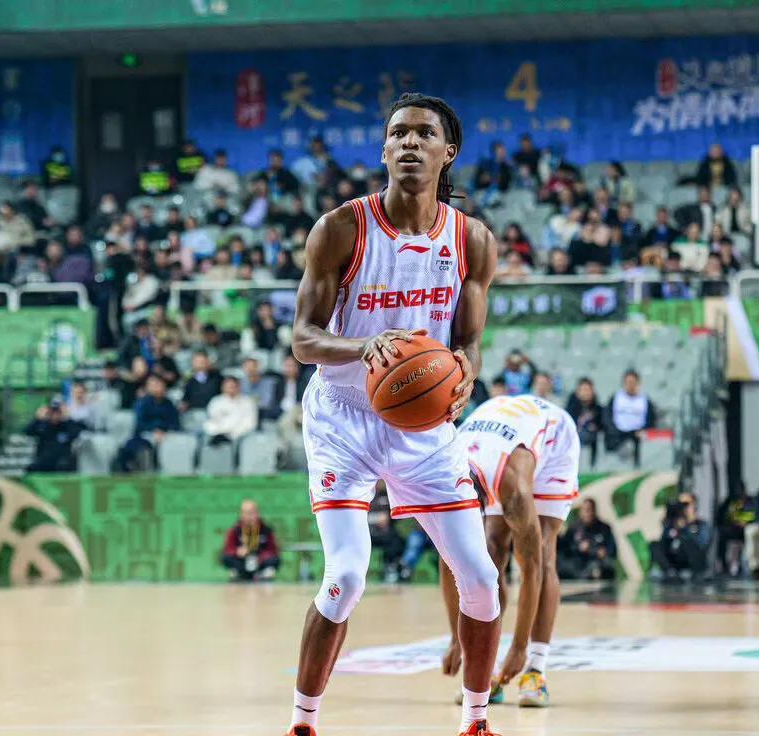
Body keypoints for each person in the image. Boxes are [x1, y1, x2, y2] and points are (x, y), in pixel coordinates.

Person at [286, 93, 502, 736]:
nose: (410, 142)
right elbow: (302, 339)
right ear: (384, 150)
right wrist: (363, 347)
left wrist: (465, 373)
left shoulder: (472, 240)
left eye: (424, 133)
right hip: (343, 416)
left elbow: (469, 342)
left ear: (447, 152)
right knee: (347, 576)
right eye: (398, 133)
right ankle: (303, 721)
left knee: (482, 578)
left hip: (424, 424)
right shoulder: (341, 228)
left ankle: (476, 719)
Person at [446, 394, 581, 708]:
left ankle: (536, 669)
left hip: (552, 439)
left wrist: (519, 648)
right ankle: (488, 670)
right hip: (497, 441)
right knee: (489, 551)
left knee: (542, 551)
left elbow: (532, 568)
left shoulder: (512, 488)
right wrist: (457, 639)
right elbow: (448, 564)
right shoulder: (445, 477)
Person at [650, 492, 710, 579]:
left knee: (687, 541)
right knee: (654, 544)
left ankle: (691, 573)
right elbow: (664, 544)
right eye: (679, 504)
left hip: (692, 563)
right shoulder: (672, 524)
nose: (682, 507)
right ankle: (669, 572)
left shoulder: (701, 525)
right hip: (675, 561)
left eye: (685, 504)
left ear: (694, 505)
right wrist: (668, 524)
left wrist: (685, 528)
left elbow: (702, 545)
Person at [558, 498, 617, 581]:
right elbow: (565, 549)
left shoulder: (604, 528)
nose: (588, 513)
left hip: (597, 562)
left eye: (590, 510)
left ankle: (594, 573)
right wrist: (579, 548)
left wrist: (604, 552)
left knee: (606, 566)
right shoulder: (573, 528)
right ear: (580, 512)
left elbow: (612, 549)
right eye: (585, 510)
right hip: (577, 565)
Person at [222, 500, 280, 581]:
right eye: (246, 513)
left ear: (257, 513)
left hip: (260, 562)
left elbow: (273, 550)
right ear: (241, 514)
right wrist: (237, 551)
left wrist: (261, 557)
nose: (249, 516)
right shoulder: (235, 530)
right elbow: (228, 549)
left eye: (251, 512)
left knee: (274, 560)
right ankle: (237, 573)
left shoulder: (266, 529)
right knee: (226, 558)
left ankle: (265, 574)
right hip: (242, 561)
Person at [606, 370, 654, 465]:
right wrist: (613, 429)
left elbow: (651, 419)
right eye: (628, 382)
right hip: (618, 433)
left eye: (633, 382)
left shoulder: (645, 400)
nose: (630, 385)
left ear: (638, 383)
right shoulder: (616, 398)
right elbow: (607, 416)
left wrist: (643, 429)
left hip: (637, 434)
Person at [24, 399, 85, 473]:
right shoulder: (42, 425)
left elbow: (77, 433)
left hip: (62, 463)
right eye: (52, 412)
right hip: (44, 462)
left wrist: (68, 418)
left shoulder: (67, 426)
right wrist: (37, 418)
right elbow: (28, 432)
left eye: (58, 412)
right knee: (32, 468)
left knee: (65, 465)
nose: (55, 415)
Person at [203, 375, 257, 446]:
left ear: (238, 387)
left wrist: (231, 434)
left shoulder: (248, 402)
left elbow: (249, 423)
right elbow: (210, 421)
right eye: (227, 387)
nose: (230, 389)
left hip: (240, 437)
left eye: (232, 387)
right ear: (222, 388)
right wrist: (219, 432)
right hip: (217, 435)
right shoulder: (215, 401)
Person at [565, 378, 602, 468]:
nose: (585, 393)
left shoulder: (598, 409)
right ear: (578, 392)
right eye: (583, 390)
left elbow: (602, 425)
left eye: (587, 390)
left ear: (593, 391)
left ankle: (593, 467)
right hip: (575, 439)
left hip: (593, 441)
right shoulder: (570, 409)